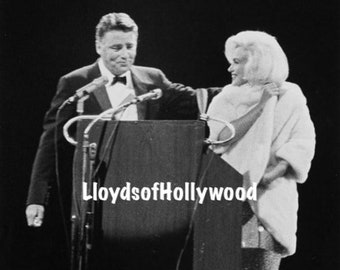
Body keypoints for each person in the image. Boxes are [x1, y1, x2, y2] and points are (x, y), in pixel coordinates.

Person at [25, 12, 281, 269]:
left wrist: (245, 85)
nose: (124, 54)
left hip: (141, 193)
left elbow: (192, 99)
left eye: (130, 46)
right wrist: (36, 198)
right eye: (116, 48)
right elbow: (51, 142)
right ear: (98, 46)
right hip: (95, 193)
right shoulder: (76, 83)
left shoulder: (152, 79)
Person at [206, 30, 316, 270]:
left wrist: (269, 175)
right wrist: (262, 105)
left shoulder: (291, 95)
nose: (229, 69)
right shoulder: (225, 99)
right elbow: (220, 138)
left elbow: (302, 142)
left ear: (257, 63)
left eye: (237, 62)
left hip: (271, 199)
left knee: (262, 263)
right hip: (231, 198)